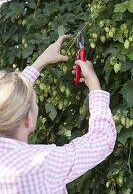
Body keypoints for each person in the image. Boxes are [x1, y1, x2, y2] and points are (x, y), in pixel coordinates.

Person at [0, 35, 116, 194]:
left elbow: (8, 100)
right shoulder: (42, 164)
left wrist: (41, 61)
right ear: (29, 119)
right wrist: (94, 84)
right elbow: (102, 139)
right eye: (34, 104)